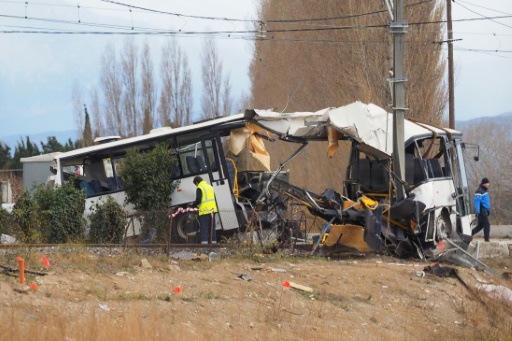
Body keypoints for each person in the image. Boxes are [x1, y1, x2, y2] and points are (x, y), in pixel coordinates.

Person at [192, 176, 218, 244]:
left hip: (204, 211)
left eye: (195, 184)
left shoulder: (199, 188)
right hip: (212, 211)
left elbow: (198, 200)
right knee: (212, 228)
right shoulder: (210, 187)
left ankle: (204, 245)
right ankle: (214, 244)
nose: (196, 186)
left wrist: (192, 205)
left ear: (197, 182)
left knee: (204, 228)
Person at [472, 177, 491, 242]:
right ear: (484, 184)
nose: (488, 184)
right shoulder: (479, 191)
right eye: (487, 183)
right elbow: (476, 202)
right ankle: (486, 239)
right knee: (487, 224)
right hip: (481, 210)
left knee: (480, 225)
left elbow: (485, 202)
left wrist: (487, 210)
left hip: (484, 210)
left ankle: (470, 233)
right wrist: (477, 211)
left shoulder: (484, 191)